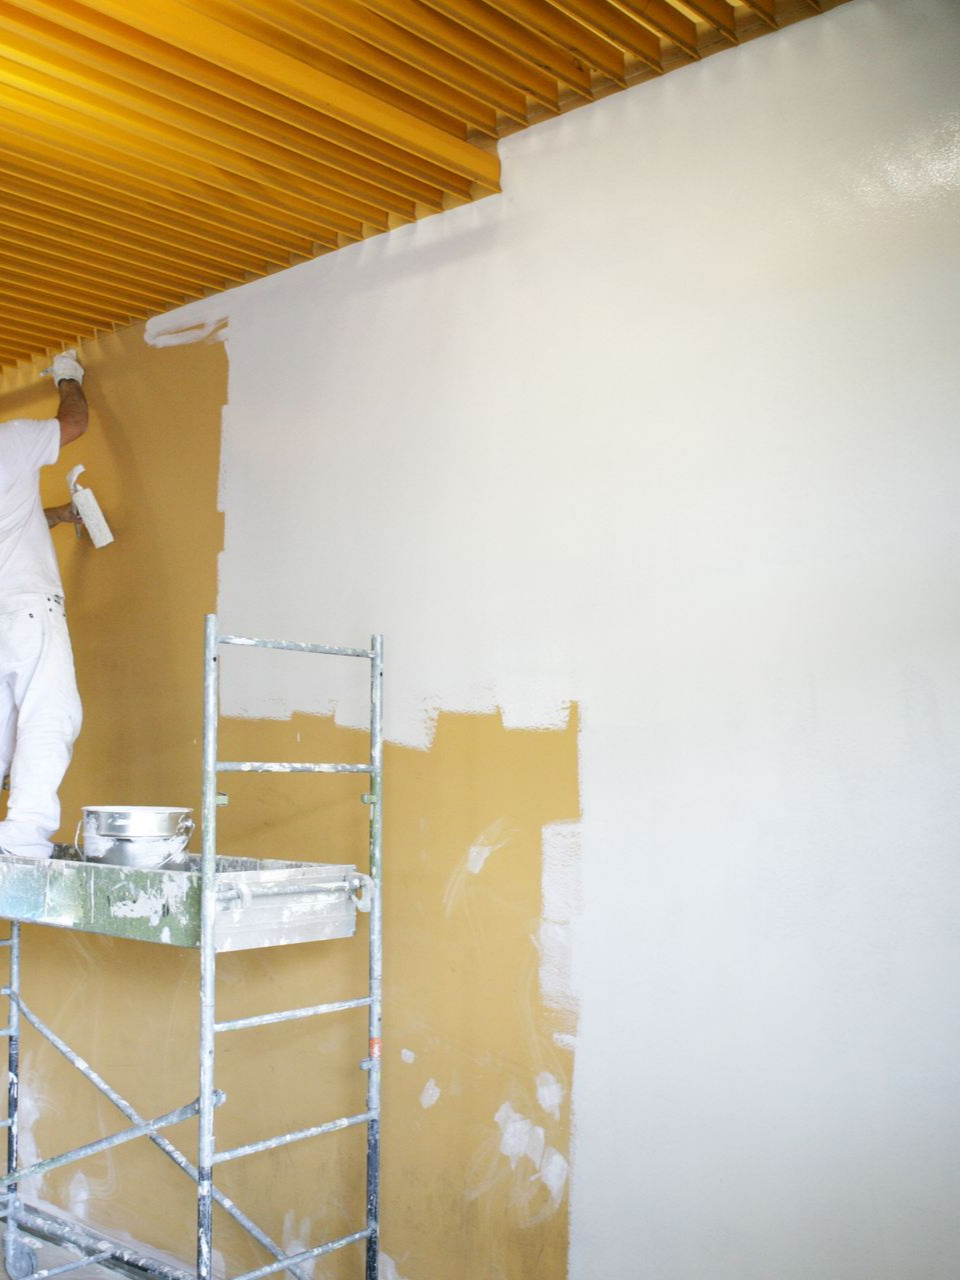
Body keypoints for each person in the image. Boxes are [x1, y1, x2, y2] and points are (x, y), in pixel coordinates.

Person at [0, 350, 88, 859]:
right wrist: (68, 375)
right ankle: (24, 834)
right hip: (29, 610)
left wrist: (58, 514)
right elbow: (73, 422)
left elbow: (12, 521)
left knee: (6, 725)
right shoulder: (9, 442)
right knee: (49, 715)